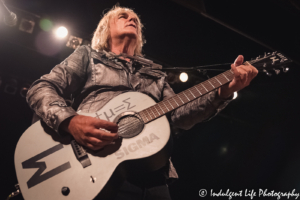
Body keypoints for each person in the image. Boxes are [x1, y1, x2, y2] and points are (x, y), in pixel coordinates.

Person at [26, 5, 258, 200]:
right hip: (93, 166)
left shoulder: (155, 75)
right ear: (106, 28)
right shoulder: (89, 56)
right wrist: (70, 121)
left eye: (135, 19)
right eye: (123, 16)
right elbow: (41, 88)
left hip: (151, 175)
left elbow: (179, 117)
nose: (132, 20)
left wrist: (224, 91)